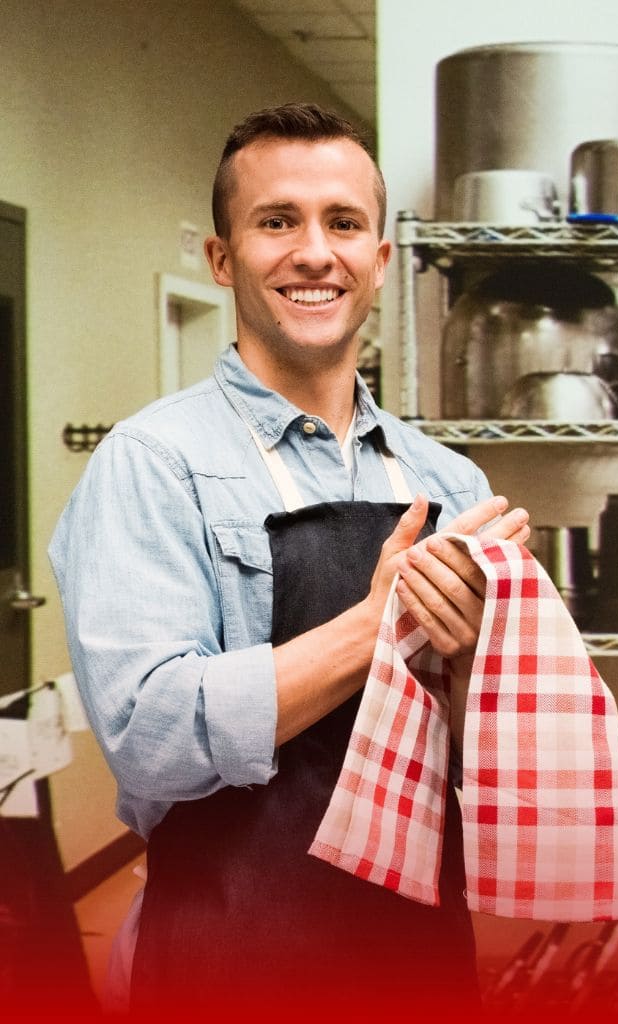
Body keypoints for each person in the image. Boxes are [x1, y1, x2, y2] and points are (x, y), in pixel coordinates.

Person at [49, 102, 530, 1017]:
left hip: (419, 955)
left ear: (380, 262)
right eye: (278, 222)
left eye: (343, 223)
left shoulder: (448, 478)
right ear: (223, 259)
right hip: (230, 956)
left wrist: (486, 655)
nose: (316, 252)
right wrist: (380, 623)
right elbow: (150, 737)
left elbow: (488, 751)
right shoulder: (157, 464)